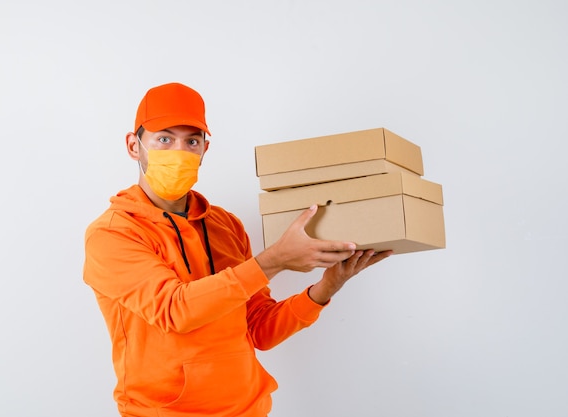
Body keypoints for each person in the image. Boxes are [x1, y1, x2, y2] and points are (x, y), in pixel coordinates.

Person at [83, 82, 392, 417]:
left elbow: (259, 329)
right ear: (134, 145)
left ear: (205, 149)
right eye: (164, 139)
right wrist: (273, 261)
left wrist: (326, 287)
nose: (179, 151)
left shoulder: (225, 226)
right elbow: (175, 311)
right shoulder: (112, 234)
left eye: (192, 141)